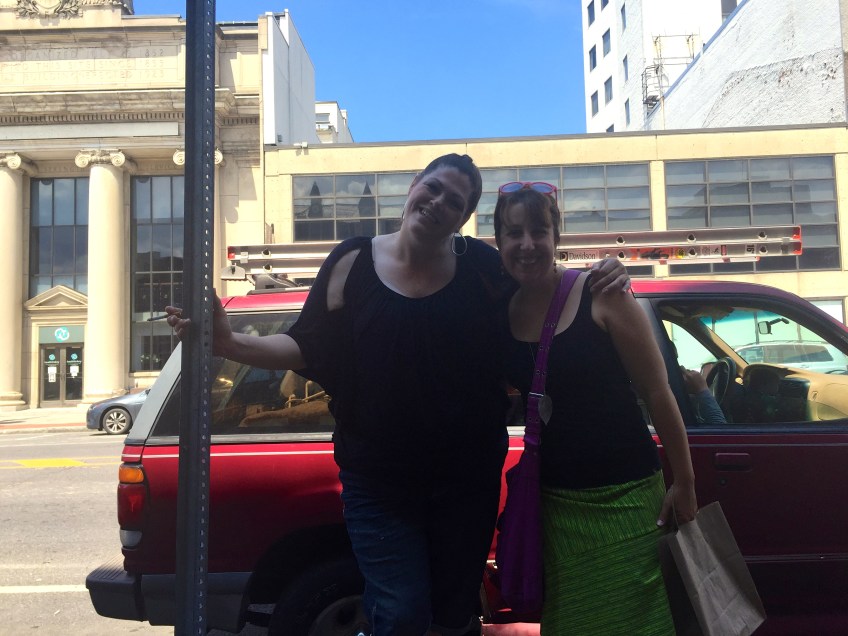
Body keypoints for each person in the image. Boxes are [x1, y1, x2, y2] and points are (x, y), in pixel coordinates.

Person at [166, 155, 629, 636]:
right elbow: (306, 344)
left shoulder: (482, 267)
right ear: (414, 185)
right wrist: (229, 344)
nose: (439, 202)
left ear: (463, 218)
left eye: (455, 201)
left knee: (454, 615)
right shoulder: (352, 261)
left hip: (466, 481)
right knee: (401, 611)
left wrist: (602, 274)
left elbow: (542, 284)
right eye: (434, 187)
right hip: (378, 481)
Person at [493, 182, 697, 635]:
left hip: (628, 498)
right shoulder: (499, 308)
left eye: (539, 231)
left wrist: (684, 481)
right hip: (556, 506)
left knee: (642, 625)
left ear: (556, 237)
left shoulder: (601, 292)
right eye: (514, 232)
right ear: (499, 241)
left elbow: (658, 391)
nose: (527, 244)